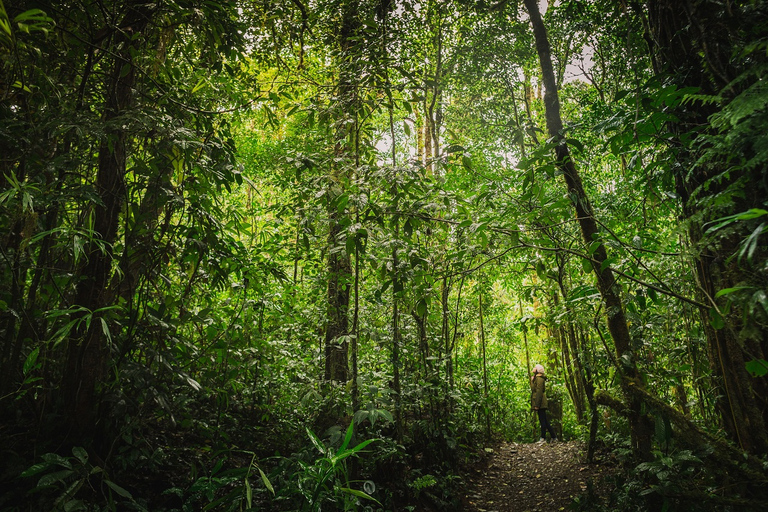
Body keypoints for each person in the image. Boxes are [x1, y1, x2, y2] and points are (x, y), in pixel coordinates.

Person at [531, 364, 557, 443]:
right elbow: (534, 389)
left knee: (542, 420)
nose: (533, 368)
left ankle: (543, 438)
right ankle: (554, 437)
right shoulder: (537, 378)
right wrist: (532, 381)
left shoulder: (539, 379)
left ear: (538, 370)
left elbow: (538, 392)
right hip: (540, 402)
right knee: (544, 420)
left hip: (540, 402)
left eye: (535, 367)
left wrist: (537, 405)